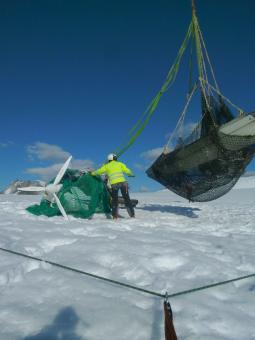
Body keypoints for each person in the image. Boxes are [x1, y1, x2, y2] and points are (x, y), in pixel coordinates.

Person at [91, 154, 135, 219]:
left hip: (114, 184)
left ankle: (115, 216)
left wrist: (92, 173)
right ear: (115, 158)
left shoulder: (107, 166)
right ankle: (132, 215)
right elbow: (127, 170)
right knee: (127, 199)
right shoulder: (120, 164)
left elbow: (99, 171)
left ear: (109, 159)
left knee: (115, 200)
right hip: (123, 183)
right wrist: (131, 174)